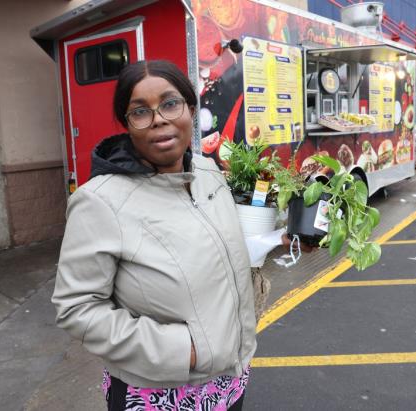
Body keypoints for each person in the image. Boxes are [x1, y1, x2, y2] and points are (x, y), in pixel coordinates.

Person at [52, 60, 298, 410]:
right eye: (140, 111)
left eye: (170, 103)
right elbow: (76, 308)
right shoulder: (100, 202)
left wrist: (274, 241)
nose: (159, 120)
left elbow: (214, 247)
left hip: (230, 379)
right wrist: (184, 349)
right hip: (158, 396)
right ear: (127, 124)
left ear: (191, 110)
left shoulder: (208, 172)